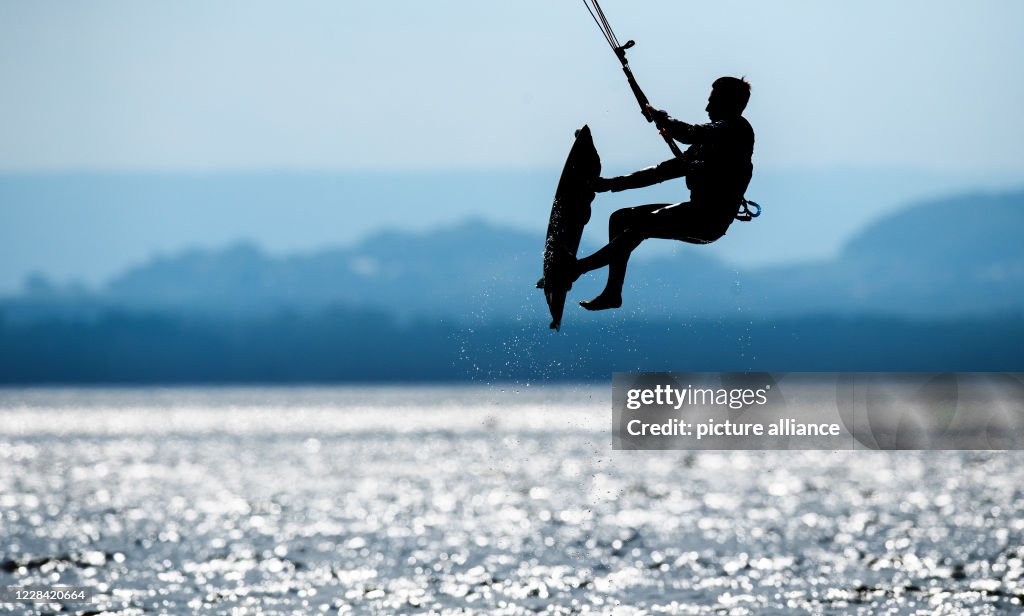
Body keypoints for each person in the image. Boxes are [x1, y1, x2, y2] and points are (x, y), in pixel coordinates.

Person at [572, 76, 755, 310]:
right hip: (695, 212)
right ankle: (612, 293)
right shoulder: (707, 144)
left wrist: (662, 117)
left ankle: (575, 269)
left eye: (713, 101)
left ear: (730, 104)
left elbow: (689, 132)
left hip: (708, 220)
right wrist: (610, 184)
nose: (707, 107)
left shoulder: (736, 130)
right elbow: (661, 172)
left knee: (642, 226)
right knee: (621, 218)